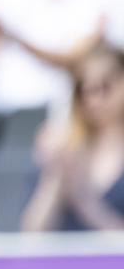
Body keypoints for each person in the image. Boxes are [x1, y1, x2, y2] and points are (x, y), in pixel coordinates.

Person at [23, 45, 124, 231]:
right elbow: (32, 234)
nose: (93, 99)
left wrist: (85, 203)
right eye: (82, 89)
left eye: (105, 86)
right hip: (66, 260)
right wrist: (55, 176)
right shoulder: (65, 147)